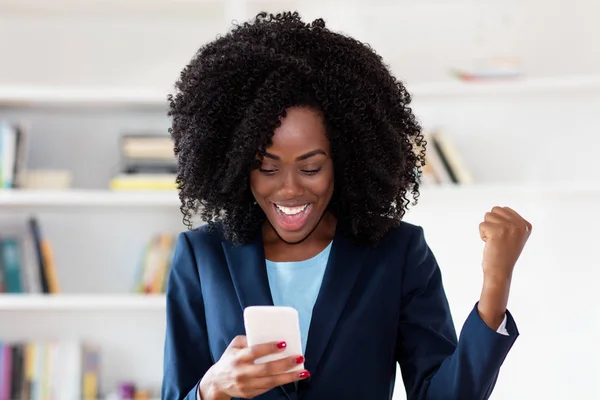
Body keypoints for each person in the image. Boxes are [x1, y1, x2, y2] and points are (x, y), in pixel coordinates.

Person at [161, 11, 531, 400]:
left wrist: (496, 282)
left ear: (346, 158)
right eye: (267, 168)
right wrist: (211, 388)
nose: (289, 190)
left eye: (311, 167)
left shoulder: (398, 253)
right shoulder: (201, 256)